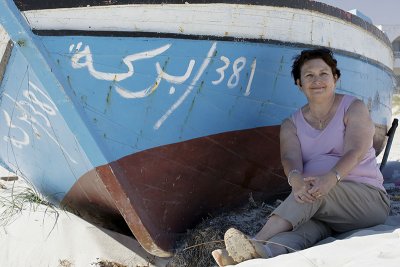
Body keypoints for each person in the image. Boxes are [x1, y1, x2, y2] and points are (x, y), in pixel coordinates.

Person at [211, 48, 391, 266]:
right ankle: (263, 252)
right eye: (309, 76)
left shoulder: (353, 108)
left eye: (324, 74)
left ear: (335, 78)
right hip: (319, 206)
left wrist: (330, 178)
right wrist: (295, 181)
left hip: (366, 201)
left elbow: (356, 150)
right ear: (299, 83)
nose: (317, 80)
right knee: (298, 231)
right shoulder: (291, 124)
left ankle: (255, 239)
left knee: (313, 193)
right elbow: (290, 159)